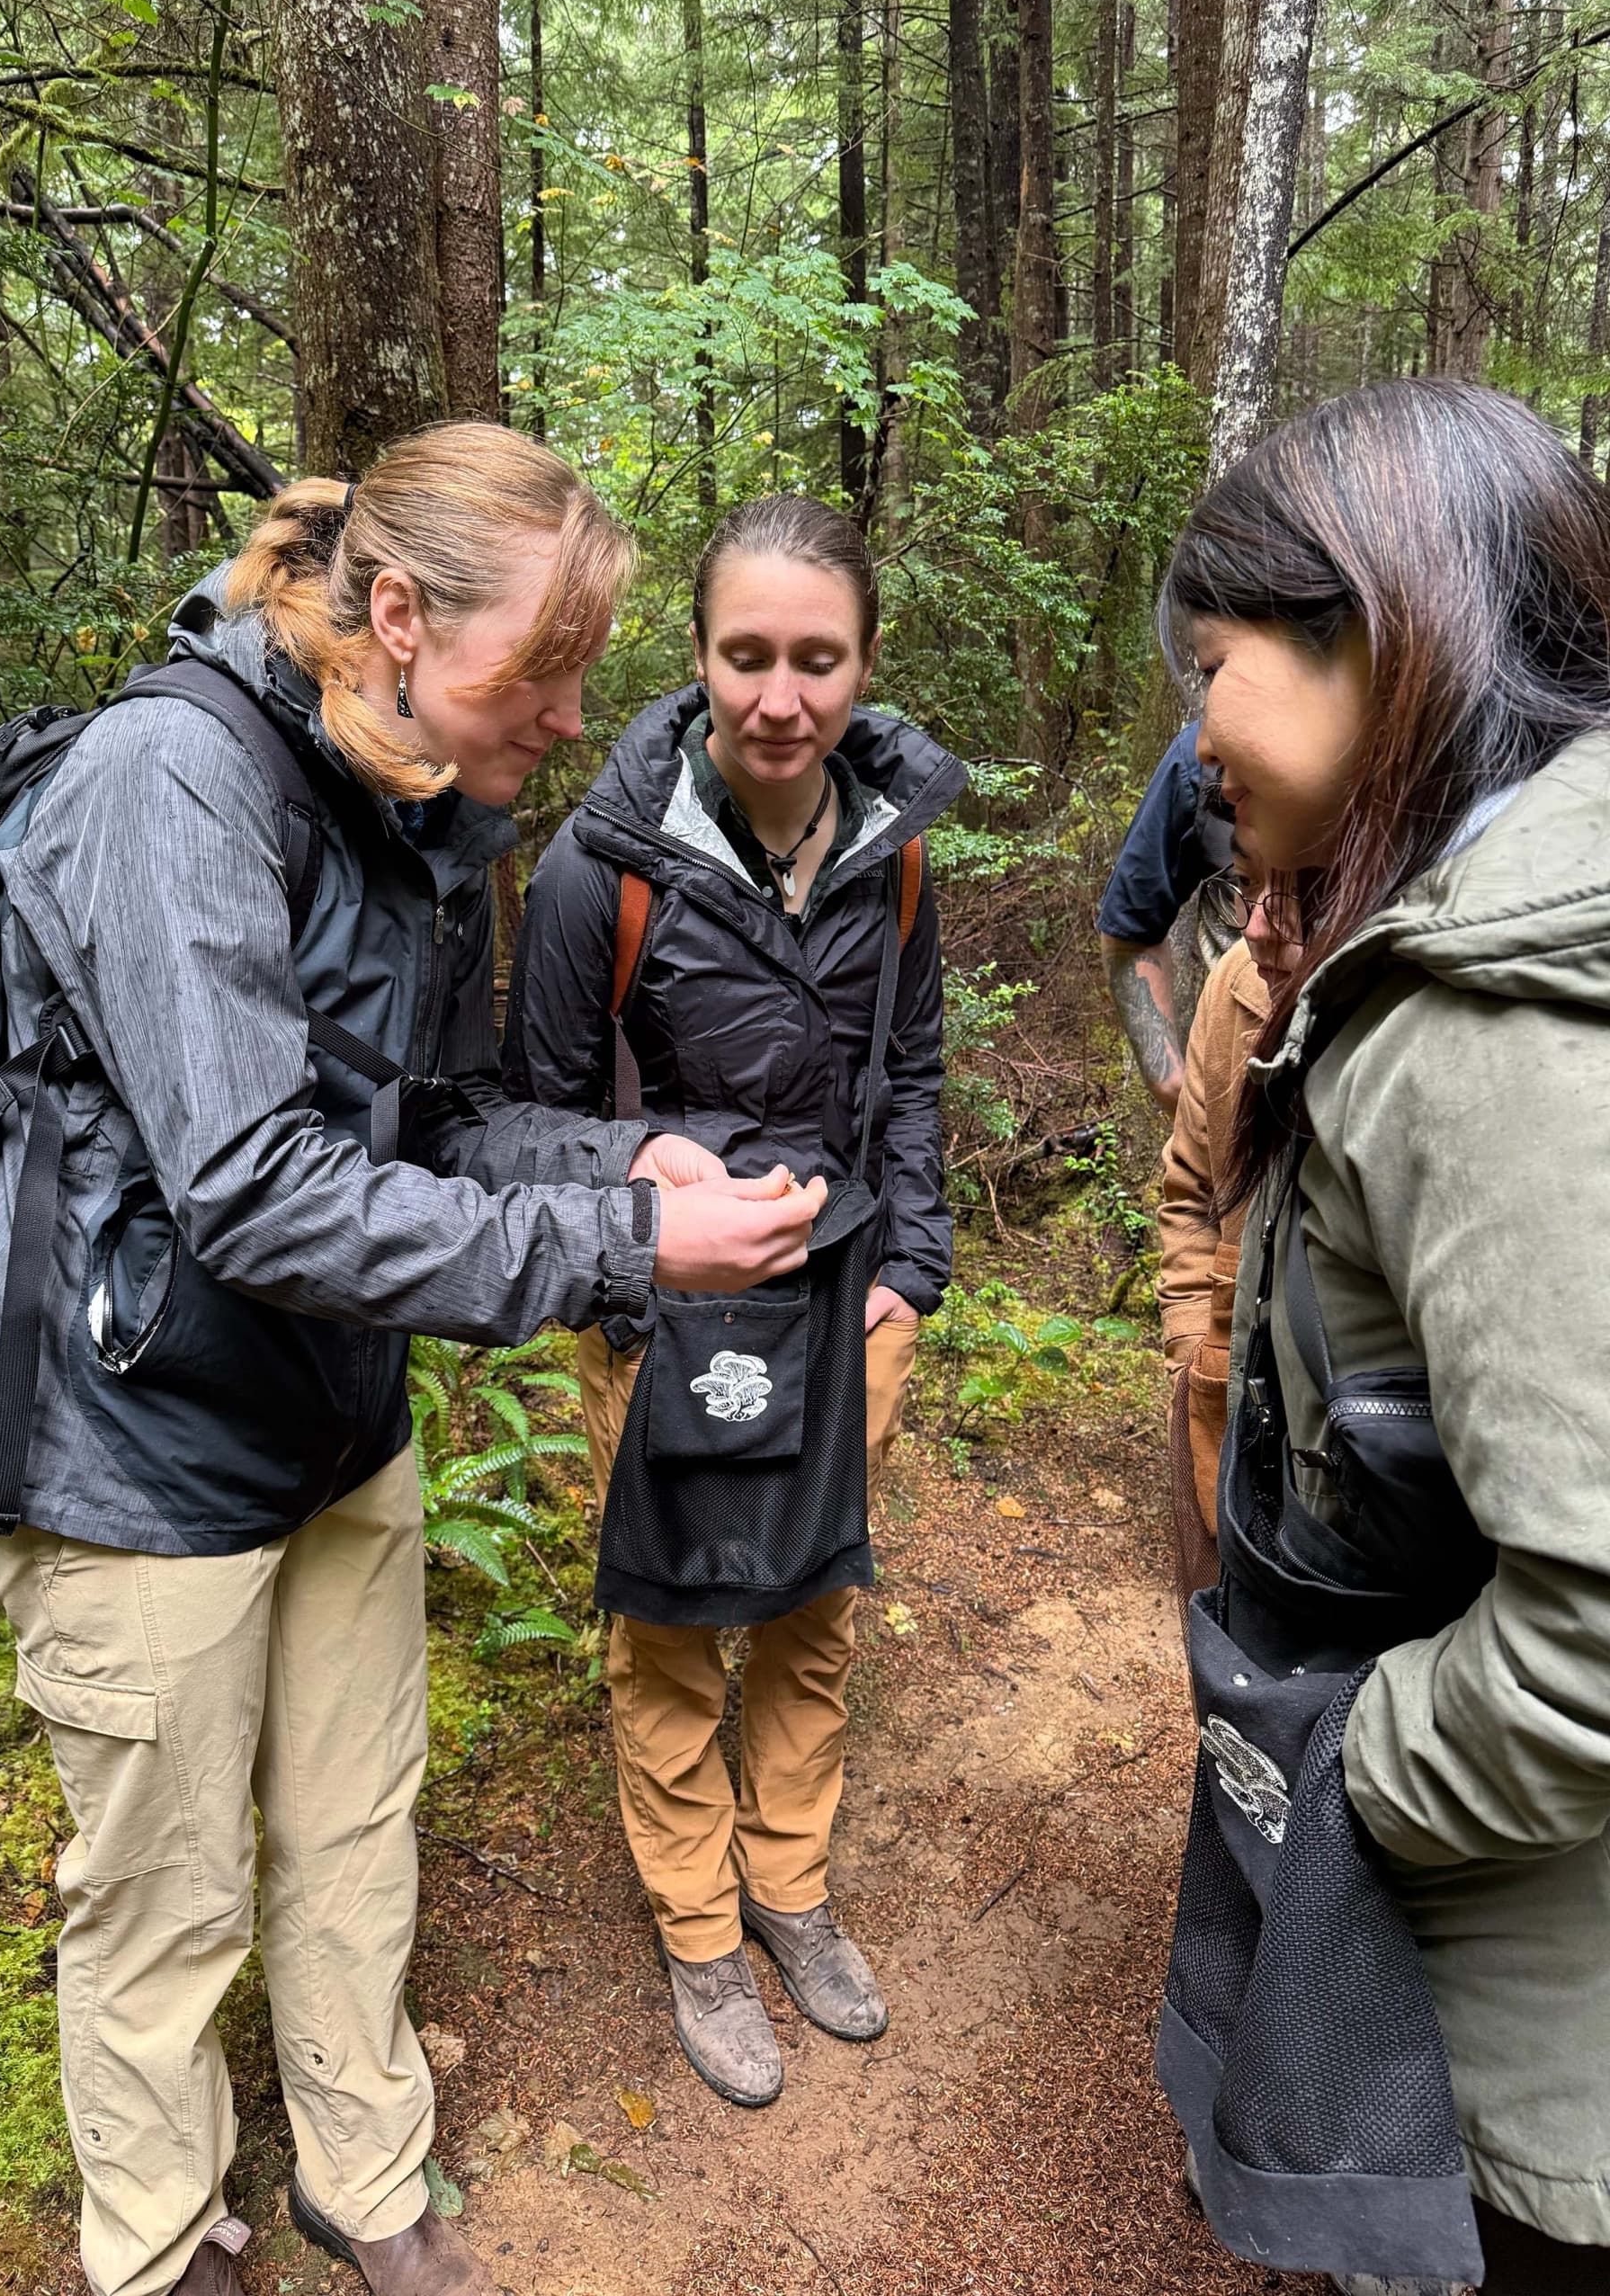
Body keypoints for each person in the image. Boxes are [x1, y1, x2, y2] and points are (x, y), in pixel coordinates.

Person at [0, 425, 826, 2296]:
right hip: (122, 1435)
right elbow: (253, 1188)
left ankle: (365, 2172)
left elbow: (433, 1118)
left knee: (354, 1826)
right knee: (164, 1902)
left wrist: (609, 1158)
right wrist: (629, 1245)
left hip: (330, 1420)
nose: (569, 715)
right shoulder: (171, 779)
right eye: (541, 668)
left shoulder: (417, 806)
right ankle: (154, 2246)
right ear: (396, 616)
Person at [1156, 377, 1610, 2295]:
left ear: (1375, 627)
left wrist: (1349, 1770)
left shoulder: (1497, 1020)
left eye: (1217, 666)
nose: (1194, 739)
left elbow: (1593, 1629)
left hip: (1543, 2050)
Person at [503, 495, 963, 2110]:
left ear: (863, 667)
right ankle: (702, 1930)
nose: (782, 696)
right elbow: (528, 1114)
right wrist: (644, 1224)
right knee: (677, 1630)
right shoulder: (601, 871)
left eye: (816, 659)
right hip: (661, 1308)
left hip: (848, 1309)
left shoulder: (895, 854)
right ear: (696, 657)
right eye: (747, 654)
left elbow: (908, 1067)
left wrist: (911, 1270)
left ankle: (790, 1885)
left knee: (814, 1610)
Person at [1156, 853, 1302, 1603]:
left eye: (1300, 887)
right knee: (1221, 1677)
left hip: (1369, 1475)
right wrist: (1194, 1351)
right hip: (1221, 1410)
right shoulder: (1232, 984)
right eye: (1251, 887)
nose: (1257, 925)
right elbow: (1188, 1194)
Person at [1097, 720, 1237, 1112]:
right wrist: (1174, 1085)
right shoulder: (1201, 758)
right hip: (1240, 1104)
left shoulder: (1410, 752)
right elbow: (1130, 926)